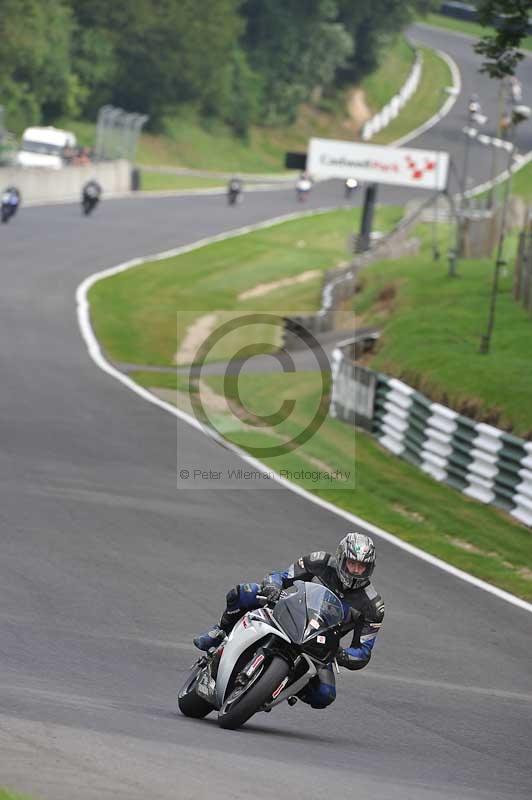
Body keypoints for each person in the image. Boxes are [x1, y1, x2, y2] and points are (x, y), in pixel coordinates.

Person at [193, 532, 384, 709]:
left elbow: (363, 652)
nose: (356, 571)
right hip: (291, 613)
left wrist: (341, 654)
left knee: (325, 695)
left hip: (319, 645)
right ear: (341, 558)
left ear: (370, 569)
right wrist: (273, 587)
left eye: (362, 567)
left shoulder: (373, 606)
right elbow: (281, 576)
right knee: (244, 592)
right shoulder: (320, 561)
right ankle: (220, 631)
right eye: (352, 564)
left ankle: (288, 684)